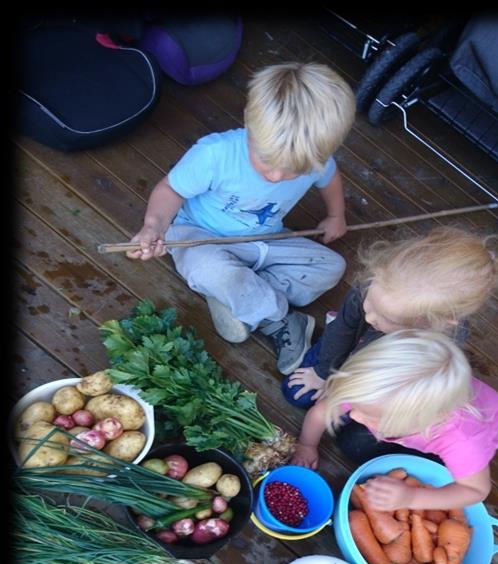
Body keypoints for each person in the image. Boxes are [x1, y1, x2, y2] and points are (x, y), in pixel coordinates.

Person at [126, 62, 356, 374]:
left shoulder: (315, 157)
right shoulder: (215, 154)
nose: (276, 176)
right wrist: (153, 226)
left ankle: (241, 295)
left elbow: (329, 179)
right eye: (266, 161)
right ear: (249, 119)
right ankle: (280, 320)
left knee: (331, 267)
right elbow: (170, 190)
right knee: (208, 268)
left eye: (293, 170)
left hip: (267, 238)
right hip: (198, 234)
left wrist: (336, 215)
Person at [283, 226, 498, 406]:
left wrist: (346, 389)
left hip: (374, 375)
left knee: (347, 427)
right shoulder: (373, 286)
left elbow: (397, 378)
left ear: (434, 322)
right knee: (296, 394)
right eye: (369, 303)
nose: (370, 317)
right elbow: (344, 327)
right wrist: (324, 372)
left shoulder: (437, 347)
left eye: (385, 318)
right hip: (345, 345)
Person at [290, 329, 498, 510]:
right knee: (350, 444)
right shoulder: (373, 390)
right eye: (355, 407)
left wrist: (411, 498)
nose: (353, 415)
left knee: (436, 478)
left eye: (368, 415)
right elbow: (321, 412)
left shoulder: (463, 441)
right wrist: (307, 445)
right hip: (409, 423)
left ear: (416, 422)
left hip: (461, 434)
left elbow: (475, 490)